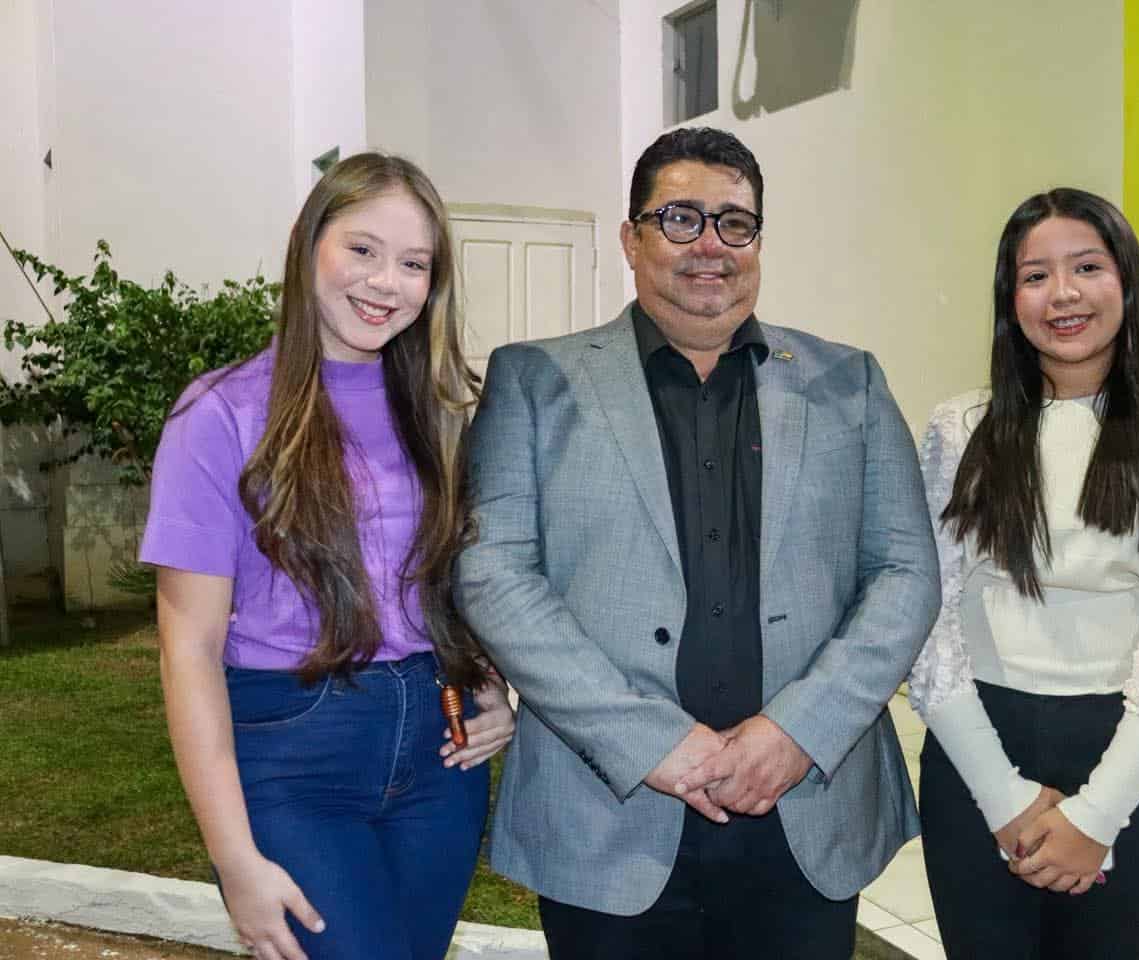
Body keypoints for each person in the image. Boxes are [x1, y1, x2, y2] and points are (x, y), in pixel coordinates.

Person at [453, 126, 941, 959]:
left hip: (802, 807)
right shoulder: (534, 381)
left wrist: (798, 732)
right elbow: (493, 573)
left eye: (734, 223)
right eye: (680, 219)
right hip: (607, 812)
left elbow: (905, 573)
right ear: (630, 239)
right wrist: (649, 742)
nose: (710, 244)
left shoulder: (849, 382)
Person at [140, 152, 515, 960]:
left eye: (414, 263)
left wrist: (489, 682)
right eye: (363, 249)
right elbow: (188, 651)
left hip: (439, 762)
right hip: (292, 762)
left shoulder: (445, 411)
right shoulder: (220, 414)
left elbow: (454, 579)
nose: (387, 283)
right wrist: (236, 862)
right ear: (308, 244)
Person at [908, 187, 1139, 958]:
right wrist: (1003, 797)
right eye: (1036, 276)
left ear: (1127, 281)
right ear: (1011, 299)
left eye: (1087, 267)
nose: (1062, 294)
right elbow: (927, 619)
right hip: (978, 745)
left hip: (1132, 752)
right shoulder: (961, 427)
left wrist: (1097, 816)